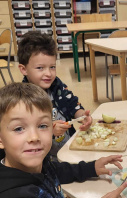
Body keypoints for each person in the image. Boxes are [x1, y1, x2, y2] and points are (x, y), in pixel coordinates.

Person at [0, 82, 127, 198]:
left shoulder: (38, 162)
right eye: (18, 129)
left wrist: (91, 168)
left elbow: (55, 171)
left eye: (42, 126)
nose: (34, 137)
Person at [17, 31, 93, 160]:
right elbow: (24, 136)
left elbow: (73, 104)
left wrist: (81, 116)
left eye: (52, 67)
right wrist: (49, 131)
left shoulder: (58, 85)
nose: (49, 73)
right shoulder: (23, 99)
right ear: (24, 69)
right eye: (40, 68)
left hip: (69, 149)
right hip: (46, 160)